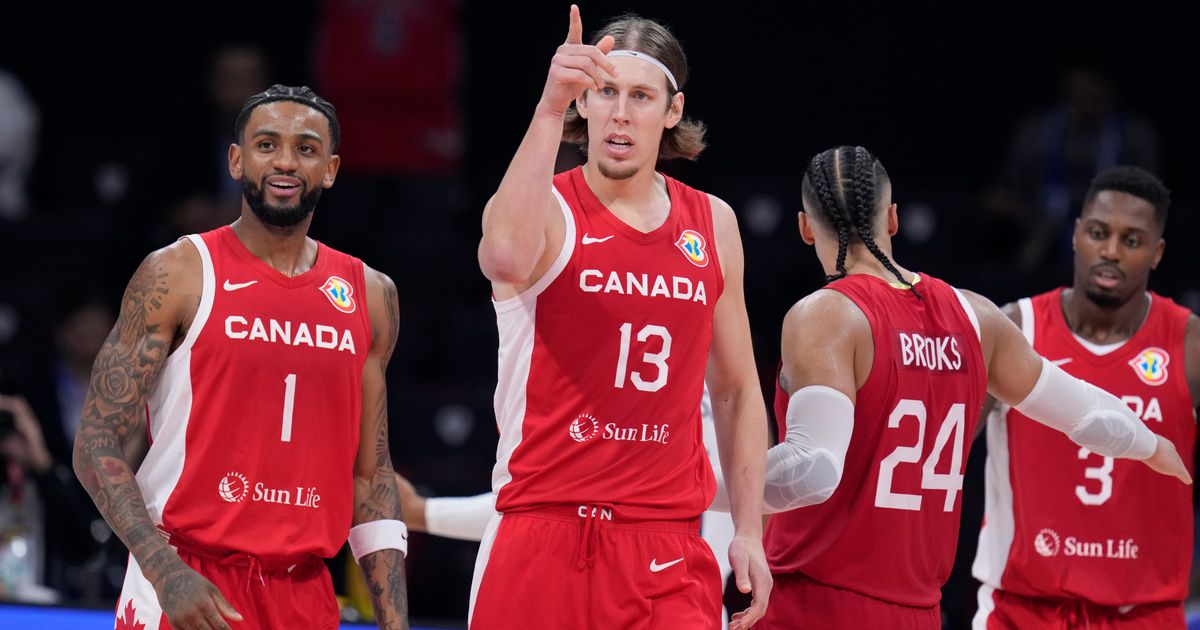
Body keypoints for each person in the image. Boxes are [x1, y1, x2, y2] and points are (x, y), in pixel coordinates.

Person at [758, 146, 1190, 630]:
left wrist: (695, 483)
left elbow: (813, 469)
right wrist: (1154, 446)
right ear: (894, 218)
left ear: (804, 227)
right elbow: (1088, 415)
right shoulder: (975, 317)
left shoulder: (825, 314)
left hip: (813, 604)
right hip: (918, 612)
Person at [471, 6, 771, 629]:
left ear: (672, 110)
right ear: (586, 101)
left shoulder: (712, 223)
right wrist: (549, 109)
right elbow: (501, 257)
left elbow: (739, 389)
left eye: (641, 96)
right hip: (544, 528)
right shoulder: (545, 207)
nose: (621, 113)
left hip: (664, 546)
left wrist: (748, 530)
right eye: (605, 92)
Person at [71, 85, 409, 630]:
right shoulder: (178, 271)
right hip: (187, 579)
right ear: (236, 160)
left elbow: (371, 477)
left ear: (331, 168)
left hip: (305, 591)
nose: (284, 161)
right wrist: (163, 570)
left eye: (305, 148)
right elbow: (95, 442)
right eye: (266, 144)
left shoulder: (370, 294)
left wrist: (395, 623)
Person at [972, 166, 1198, 628]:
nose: (1111, 251)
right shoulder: (1015, 328)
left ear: (1157, 253)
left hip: (1145, 614)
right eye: (1099, 233)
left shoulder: (1190, 345)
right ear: (1076, 235)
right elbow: (947, 445)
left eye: (1132, 241)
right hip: (1021, 610)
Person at [394, 389, 742, 626]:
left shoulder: (729, 390)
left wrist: (423, 512)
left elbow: (752, 491)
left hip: (675, 587)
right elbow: (552, 508)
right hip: (604, 582)